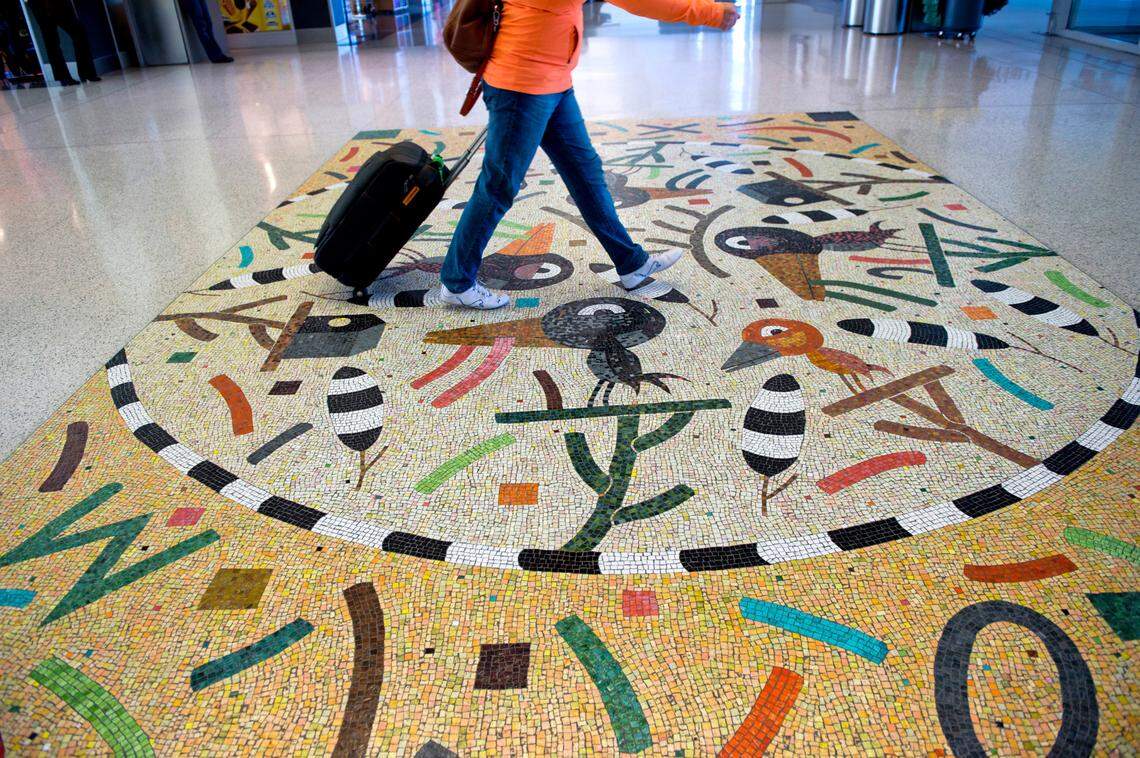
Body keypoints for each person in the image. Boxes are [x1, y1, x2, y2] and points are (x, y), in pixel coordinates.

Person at [439, 0, 739, 309]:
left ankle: (631, 263)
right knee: (500, 185)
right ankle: (457, 281)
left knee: (586, 174)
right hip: (522, 85)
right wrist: (712, 13)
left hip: (553, 81)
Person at [24, 0, 98, 85]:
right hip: (39, 5)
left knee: (77, 33)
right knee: (51, 40)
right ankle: (66, 76)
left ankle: (85, 73)